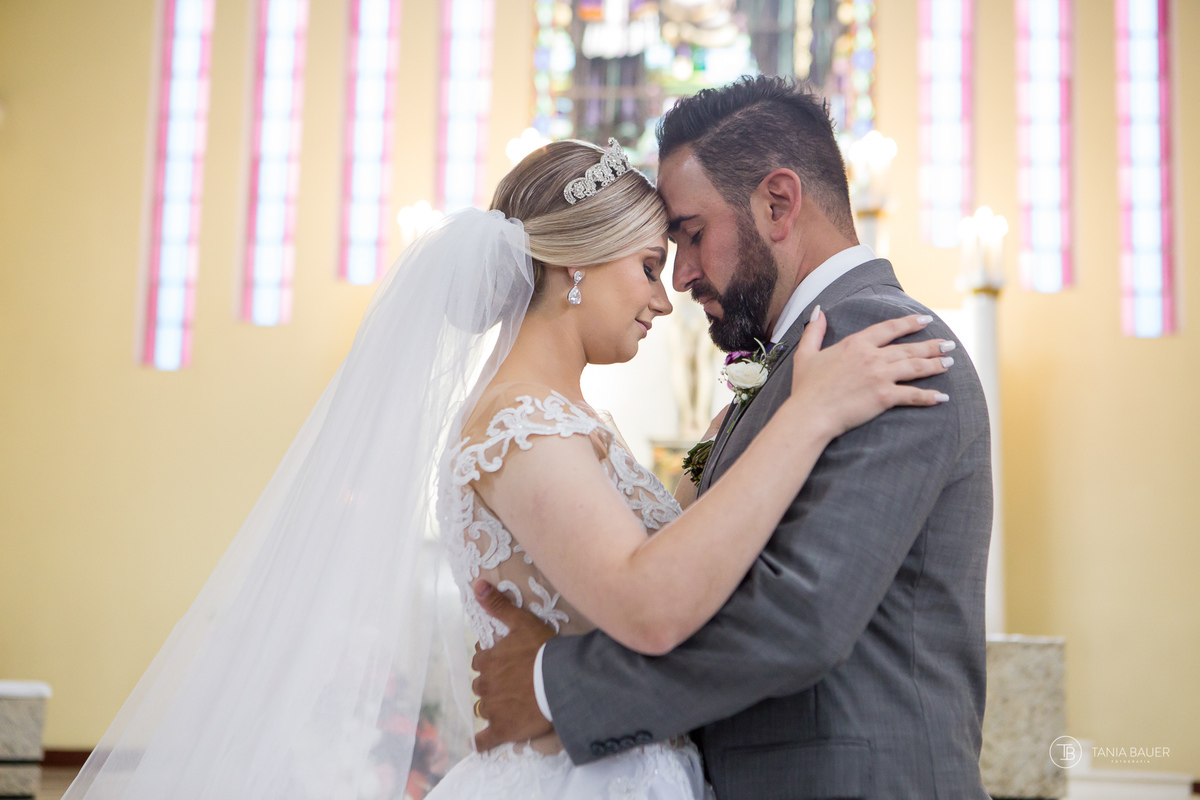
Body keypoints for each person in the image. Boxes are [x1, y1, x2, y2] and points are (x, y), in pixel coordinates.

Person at [60, 136, 948, 800]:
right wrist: (809, 412)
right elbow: (645, 600)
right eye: (645, 265)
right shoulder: (520, 425)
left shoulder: (560, 419)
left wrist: (705, 470)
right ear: (570, 264)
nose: (661, 294)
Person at [471, 77, 994, 800]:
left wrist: (552, 688)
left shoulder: (874, 343)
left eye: (689, 235)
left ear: (778, 203)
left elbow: (798, 613)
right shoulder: (799, 361)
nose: (680, 278)